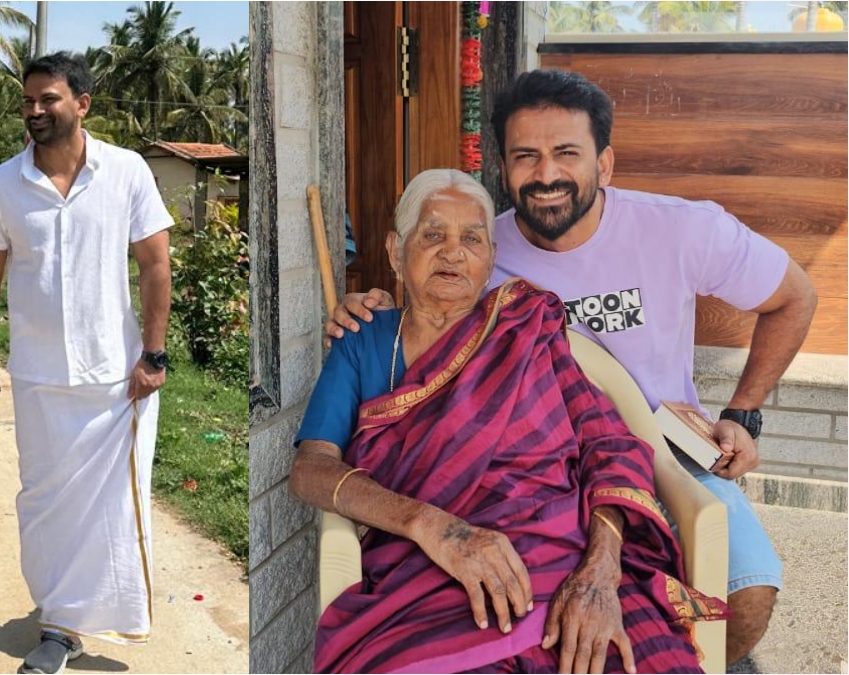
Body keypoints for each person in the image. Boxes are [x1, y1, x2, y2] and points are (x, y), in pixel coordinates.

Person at [326, 69, 818, 666]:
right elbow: (428, 295)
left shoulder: (684, 228)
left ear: (603, 164)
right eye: (525, 157)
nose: (546, 174)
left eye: (566, 154)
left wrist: (743, 412)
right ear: (504, 170)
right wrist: (368, 307)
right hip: (542, 468)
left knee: (745, 596)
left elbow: (795, 297)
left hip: (667, 448)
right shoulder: (484, 242)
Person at [296, 169, 724, 674]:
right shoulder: (363, 341)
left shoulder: (527, 332)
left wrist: (601, 571)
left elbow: (611, 446)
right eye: (433, 234)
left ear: (491, 259)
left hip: (569, 569)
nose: (453, 253)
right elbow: (310, 469)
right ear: (395, 250)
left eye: (472, 239)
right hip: (426, 577)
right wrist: (432, 526)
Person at [0, 51, 173, 675]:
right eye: (27, 101)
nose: (34, 110)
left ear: (81, 103)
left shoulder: (127, 171)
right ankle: (57, 621)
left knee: (116, 501)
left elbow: (155, 264)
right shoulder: (4, 183)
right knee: (43, 502)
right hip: (39, 377)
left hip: (118, 377)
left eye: (47, 99)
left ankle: (86, 618)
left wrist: (154, 354)